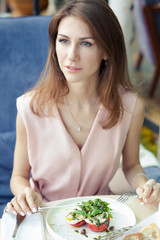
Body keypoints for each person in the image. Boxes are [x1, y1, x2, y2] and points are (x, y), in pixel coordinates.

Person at [7, 0, 160, 217]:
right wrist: (24, 193)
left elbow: (131, 165)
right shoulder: (29, 107)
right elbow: (18, 177)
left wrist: (144, 184)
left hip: (102, 217)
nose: (71, 55)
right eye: (64, 41)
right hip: (44, 216)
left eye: (86, 43)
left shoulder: (130, 106)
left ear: (106, 51)